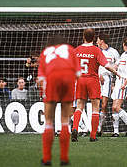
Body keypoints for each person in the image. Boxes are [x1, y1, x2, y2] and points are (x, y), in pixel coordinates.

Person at [38, 35, 80, 166]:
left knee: (49, 121)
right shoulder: (70, 49)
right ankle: (64, 158)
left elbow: (40, 79)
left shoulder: (45, 52)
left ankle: (47, 159)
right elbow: (78, 74)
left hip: (52, 78)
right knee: (65, 121)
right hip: (68, 78)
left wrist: (44, 95)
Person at [71, 28, 120, 142]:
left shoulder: (77, 50)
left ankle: (74, 128)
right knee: (95, 107)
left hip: (81, 80)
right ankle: (93, 135)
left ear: (83, 37)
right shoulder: (96, 50)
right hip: (92, 80)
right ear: (93, 38)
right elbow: (107, 66)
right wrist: (116, 72)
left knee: (79, 106)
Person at [110, 36, 127, 137]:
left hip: (124, 81)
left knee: (117, 107)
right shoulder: (123, 54)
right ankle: (116, 131)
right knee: (113, 107)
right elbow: (115, 66)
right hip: (118, 81)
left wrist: (125, 83)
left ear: (123, 44)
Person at [96, 32, 120, 135]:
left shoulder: (113, 52)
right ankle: (97, 129)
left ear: (102, 41)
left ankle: (100, 128)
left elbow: (119, 64)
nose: (96, 42)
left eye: (97, 40)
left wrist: (113, 69)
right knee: (96, 104)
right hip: (96, 79)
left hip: (107, 79)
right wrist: (98, 75)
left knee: (104, 105)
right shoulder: (96, 51)